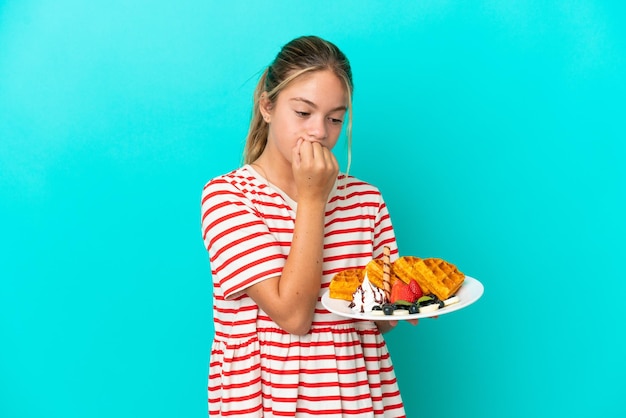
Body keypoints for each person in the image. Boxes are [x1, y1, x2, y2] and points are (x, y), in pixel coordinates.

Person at [201, 35, 412, 417]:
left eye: (335, 118)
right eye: (303, 113)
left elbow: (377, 324)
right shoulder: (228, 197)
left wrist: (402, 304)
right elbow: (294, 316)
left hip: (357, 396)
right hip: (268, 398)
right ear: (267, 106)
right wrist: (313, 199)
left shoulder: (366, 200)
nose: (319, 132)